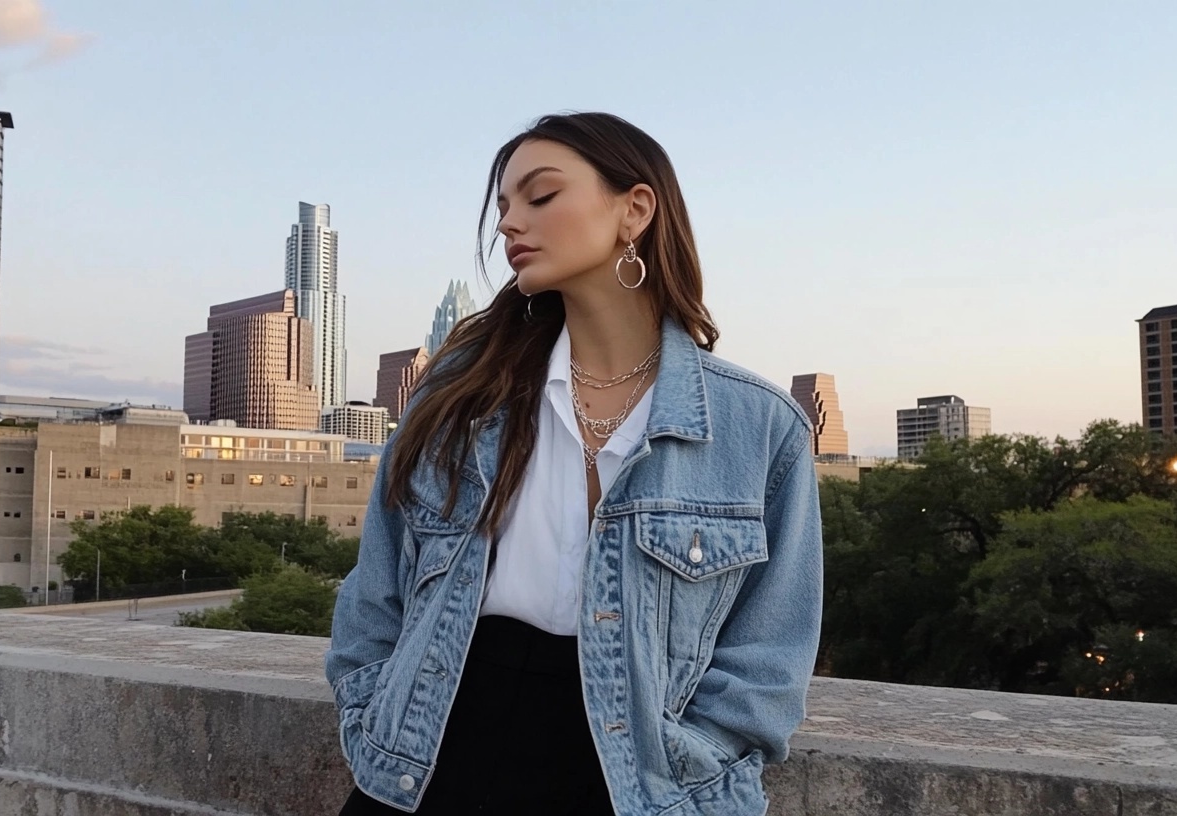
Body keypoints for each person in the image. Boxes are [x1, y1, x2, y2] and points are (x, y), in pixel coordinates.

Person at [326, 112, 823, 816]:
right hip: (428, 763)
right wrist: (369, 714)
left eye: (540, 196)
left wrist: (699, 768)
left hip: (639, 784)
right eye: (502, 206)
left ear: (635, 209)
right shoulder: (462, 394)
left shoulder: (759, 427)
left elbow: (769, 654)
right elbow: (375, 590)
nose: (508, 224)